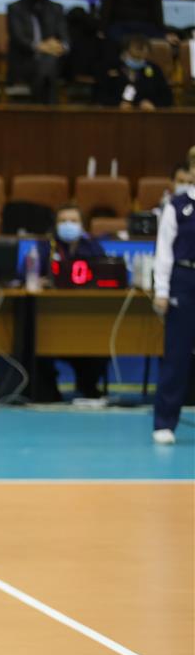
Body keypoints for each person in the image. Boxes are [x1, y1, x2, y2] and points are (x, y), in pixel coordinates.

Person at [32, 204, 108, 401]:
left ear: (82, 225)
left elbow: (105, 274)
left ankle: (88, 385)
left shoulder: (93, 247)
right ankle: (48, 390)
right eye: (63, 221)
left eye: (73, 221)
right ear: (55, 225)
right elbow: (27, 274)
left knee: (102, 341)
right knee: (35, 339)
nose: (68, 225)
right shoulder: (45, 246)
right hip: (50, 317)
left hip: (87, 315)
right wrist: (38, 280)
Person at [151, 162, 195, 444]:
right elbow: (164, 249)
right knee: (177, 354)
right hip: (184, 278)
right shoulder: (177, 206)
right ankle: (165, 421)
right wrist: (162, 290)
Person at [6, 0, 70, 104]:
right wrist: (39, 47)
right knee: (47, 66)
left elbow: (64, 37)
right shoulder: (15, 9)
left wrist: (61, 46)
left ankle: (39, 108)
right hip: (25, 59)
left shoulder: (56, 8)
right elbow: (18, 38)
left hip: (55, 58)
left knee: (49, 63)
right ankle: (48, 109)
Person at [96, 34, 175, 108]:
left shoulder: (153, 69)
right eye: (136, 55)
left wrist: (153, 104)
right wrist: (118, 104)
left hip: (146, 114)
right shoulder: (111, 68)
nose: (141, 57)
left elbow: (167, 97)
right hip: (116, 113)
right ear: (125, 51)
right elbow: (100, 95)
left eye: (143, 56)